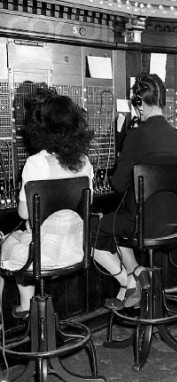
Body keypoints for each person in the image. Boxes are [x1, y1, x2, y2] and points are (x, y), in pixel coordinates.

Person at [91, 72, 177, 310]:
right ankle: (134, 278)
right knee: (117, 228)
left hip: (140, 222)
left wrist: (123, 147)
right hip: (172, 224)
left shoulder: (137, 134)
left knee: (90, 231)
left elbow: (118, 185)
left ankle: (132, 279)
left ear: (139, 103)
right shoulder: (176, 136)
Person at [0, 94, 94, 319]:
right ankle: (28, 308)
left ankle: (18, 313)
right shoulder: (85, 162)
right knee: (20, 242)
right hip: (76, 251)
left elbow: (24, 212)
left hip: (43, 255)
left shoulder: (37, 163)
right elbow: (88, 205)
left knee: (7, 243)